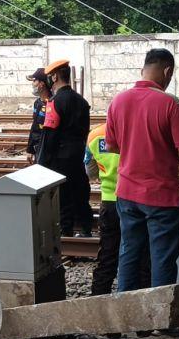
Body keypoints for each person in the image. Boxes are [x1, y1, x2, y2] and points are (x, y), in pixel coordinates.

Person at [106, 48, 179, 292]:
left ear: (143, 69)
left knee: (129, 255)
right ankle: (160, 321)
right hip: (162, 196)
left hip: (126, 193)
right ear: (167, 71)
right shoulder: (169, 103)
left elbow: (112, 146)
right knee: (162, 259)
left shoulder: (118, 101)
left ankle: (127, 315)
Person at [85, 123, 150, 295]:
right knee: (142, 255)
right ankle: (143, 299)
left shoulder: (95, 134)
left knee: (107, 256)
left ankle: (98, 301)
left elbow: (90, 172)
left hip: (109, 201)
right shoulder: (136, 129)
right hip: (135, 200)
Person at [37, 59, 94, 237]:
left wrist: (43, 161)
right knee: (80, 193)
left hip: (59, 158)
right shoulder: (82, 102)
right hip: (77, 155)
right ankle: (86, 228)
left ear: (54, 77)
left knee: (63, 197)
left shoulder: (55, 102)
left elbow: (50, 134)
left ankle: (66, 231)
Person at [25, 67, 51, 164]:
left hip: (49, 150)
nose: (33, 84)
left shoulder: (53, 102)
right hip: (38, 149)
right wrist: (30, 149)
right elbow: (35, 127)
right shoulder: (37, 103)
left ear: (42, 84)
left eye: (35, 80)